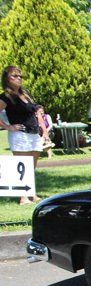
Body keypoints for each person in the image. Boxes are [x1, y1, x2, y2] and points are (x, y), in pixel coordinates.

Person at [0, 66, 42, 204]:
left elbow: (34, 109)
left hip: (33, 133)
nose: (18, 79)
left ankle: (32, 194)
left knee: (32, 166)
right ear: (7, 79)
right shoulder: (6, 97)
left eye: (20, 76)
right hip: (20, 134)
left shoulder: (26, 94)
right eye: (14, 76)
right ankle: (23, 197)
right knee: (22, 165)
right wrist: (8, 126)